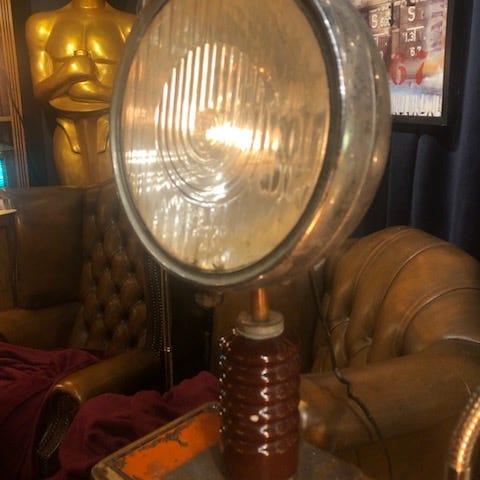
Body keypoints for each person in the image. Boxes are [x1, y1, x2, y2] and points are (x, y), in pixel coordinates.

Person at [25, 0, 135, 185]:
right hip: (69, 129)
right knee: (75, 197)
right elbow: (40, 92)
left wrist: (92, 91)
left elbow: (139, 94)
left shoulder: (129, 25)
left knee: (112, 197)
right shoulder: (42, 25)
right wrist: (69, 72)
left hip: (111, 129)